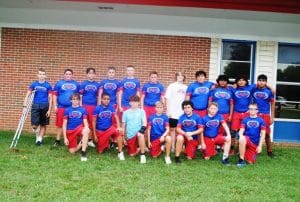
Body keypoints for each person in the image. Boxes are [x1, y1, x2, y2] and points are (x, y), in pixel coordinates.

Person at [23, 68, 52, 145]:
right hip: (35, 105)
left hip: (45, 105)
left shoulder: (48, 85)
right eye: (40, 74)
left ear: (45, 76)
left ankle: (39, 139)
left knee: (43, 124)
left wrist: (49, 109)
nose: (41, 76)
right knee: (34, 125)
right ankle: (37, 134)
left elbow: (50, 98)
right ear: (37, 75)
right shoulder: (34, 84)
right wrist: (24, 105)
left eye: (43, 74)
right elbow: (27, 95)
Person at [93, 93, 125, 160]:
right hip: (100, 131)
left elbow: (116, 117)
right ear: (101, 99)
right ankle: (108, 143)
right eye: (104, 99)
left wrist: (119, 127)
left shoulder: (111, 107)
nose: (106, 100)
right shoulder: (97, 108)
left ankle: (120, 152)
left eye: (108, 99)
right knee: (100, 151)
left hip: (110, 128)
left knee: (119, 132)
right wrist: (94, 134)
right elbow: (94, 122)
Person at [53, 69, 80, 147]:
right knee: (60, 124)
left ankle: (74, 139)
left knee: (74, 123)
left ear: (72, 75)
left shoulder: (76, 84)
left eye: (70, 74)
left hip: (72, 108)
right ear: (64, 75)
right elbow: (55, 95)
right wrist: (55, 105)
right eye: (67, 74)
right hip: (61, 107)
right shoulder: (59, 83)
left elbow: (79, 96)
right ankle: (57, 140)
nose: (68, 75)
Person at [252, 74, 275, 158]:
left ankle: (270, 151)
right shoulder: (253, 90)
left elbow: (272, 104)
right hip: (255, 114)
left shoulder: (269, 92)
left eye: (263, 81)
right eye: (260, 80)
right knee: (255, 132)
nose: (261, 82)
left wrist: (272, 117)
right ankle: (253, 149)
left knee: (267, 134)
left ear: (266, 82)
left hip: (265, 114)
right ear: (257, 81)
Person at [62, 93, 89, 161]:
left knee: (86, 130)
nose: (75, 101)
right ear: (71, 100)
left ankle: (83, 152)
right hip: (70, 130)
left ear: (79, 100)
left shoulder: (83, 110)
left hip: (79, 128)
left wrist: (86, 128)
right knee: (72, 151)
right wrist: (65, 138)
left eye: (77, 99)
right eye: (73, 99)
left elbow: (85, 122)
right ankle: (83, 142)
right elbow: (64, 125)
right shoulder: (67, 110)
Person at [165, 71, 187, 152]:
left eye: (182, 76)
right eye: (178, 75)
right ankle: (173, 146)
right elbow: (167, 98)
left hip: (181, 112)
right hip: (173, 112)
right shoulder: (172, 86)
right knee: (172, 130)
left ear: (184, 77)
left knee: (181, 130)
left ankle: (180, 146)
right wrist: (168, 110)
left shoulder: (186, 87)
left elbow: (186, 100)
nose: (180, 77)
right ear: (176, 77)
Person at [122, 95, 147, 164]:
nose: (134, 103)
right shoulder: (125, 113)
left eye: (136, 102)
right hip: (130, 136)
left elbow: (144, 123)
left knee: (140, 135)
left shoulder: (142, 111)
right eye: (132, 102)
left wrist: (140, 131)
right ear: (129, 103)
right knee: (131, 154)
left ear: (139, 103)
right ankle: (141, 147)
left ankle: (142, 155)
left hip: (138, 134)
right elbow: (123, 126)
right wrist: (123, 137)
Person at [79, 67, 100, 148]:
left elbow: (98, 96)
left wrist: (98, 106)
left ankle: (90, 140)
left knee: (91, 123)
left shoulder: (97, 85)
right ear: (87, 74)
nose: (91, 75)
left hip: (93, 106)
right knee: (83, 123)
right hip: (84, 105)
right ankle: (83, 139)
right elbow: (80, 96)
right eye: (89, 73)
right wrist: (80, 106)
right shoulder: (83, 84)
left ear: (95, 75)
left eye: (92, 73)